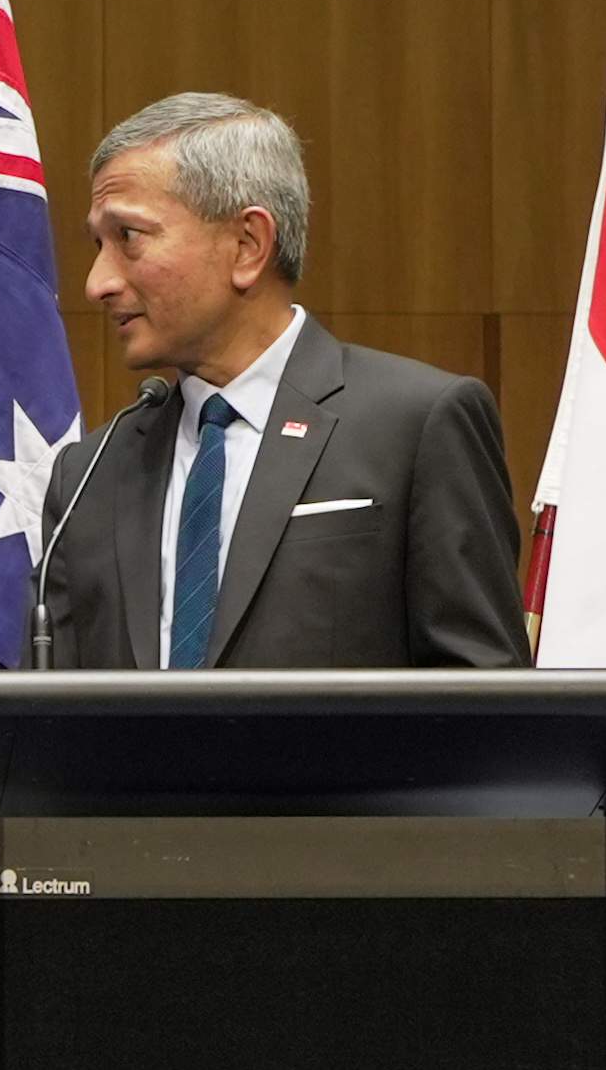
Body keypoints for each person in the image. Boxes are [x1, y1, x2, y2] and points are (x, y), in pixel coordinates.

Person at [32, 93, 528, 671]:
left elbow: (482, 702)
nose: (97, 283)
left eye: (129, 238)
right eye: (98, 244)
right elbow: (55, 722)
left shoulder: (416, 426)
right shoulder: (89, 474)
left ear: (247, 246)